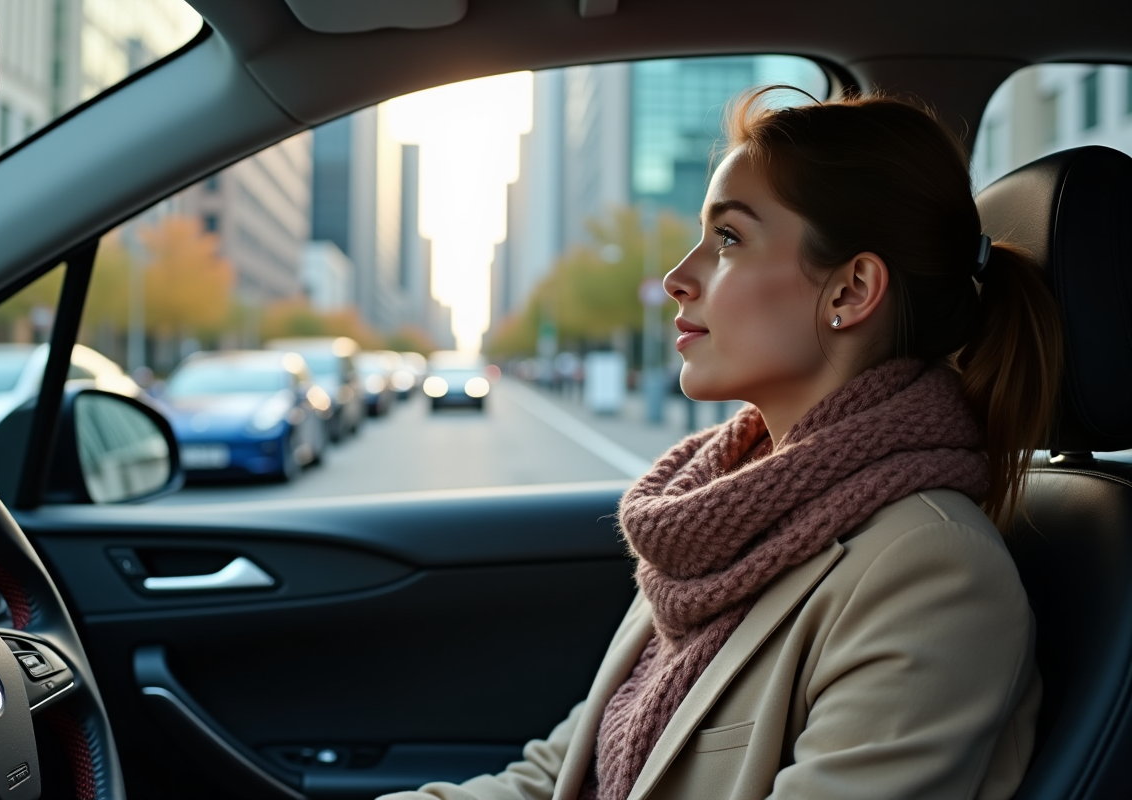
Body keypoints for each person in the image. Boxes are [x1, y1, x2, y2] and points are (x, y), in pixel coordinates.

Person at [379, 89, 1061, 800]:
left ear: (851, 291)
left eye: (728, 239)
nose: (677, 278)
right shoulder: (716, 518)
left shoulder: (932, 571)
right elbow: (564, 774)